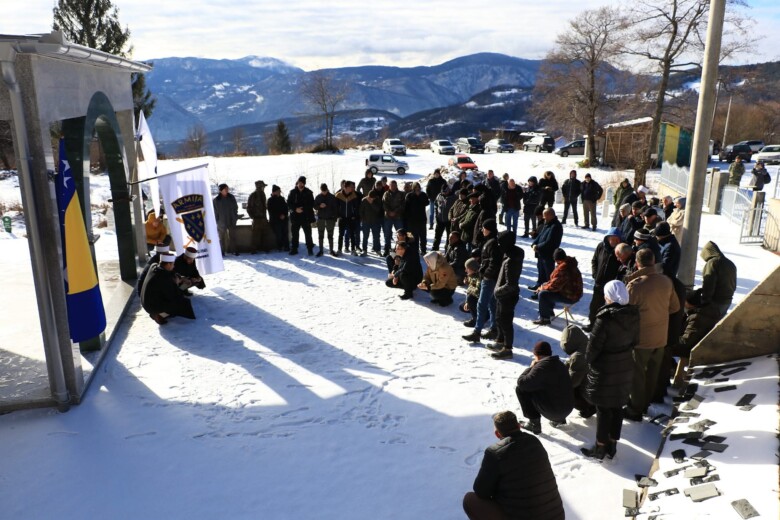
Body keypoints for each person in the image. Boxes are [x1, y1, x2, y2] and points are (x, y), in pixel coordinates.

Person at [463, 411, 565, 520]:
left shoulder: (495, 452)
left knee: (470, 500)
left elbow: (481, 491)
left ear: (497, 434)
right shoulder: (534, 442)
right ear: (519, 426)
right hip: (557, 516)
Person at [580, 280, 640, 460]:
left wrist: (588, 362)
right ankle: (612, 445)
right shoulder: (633, 314)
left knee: (604, 408)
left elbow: (592, 349)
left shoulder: (604, 318)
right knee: (617, 407)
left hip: (605, 368)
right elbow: (636, 341)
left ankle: (600, 447)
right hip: (625, 364)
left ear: (610, 296)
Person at [623, 249, 680, 421]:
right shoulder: (666, 281)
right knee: (652, 374)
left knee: (638, 376)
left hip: (641, 339)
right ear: (654, 260)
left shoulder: (635, 285)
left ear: (638, 263)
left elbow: (626, 313)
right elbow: (675, 307)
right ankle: (645, 404)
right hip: (660, 337)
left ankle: (635, 409)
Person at [515, 341, 575, 433]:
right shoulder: (559, 364)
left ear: (536, 354)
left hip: (555, 412)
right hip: (568, 408)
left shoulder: (541, 367)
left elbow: (521, 383)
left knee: (521, 389)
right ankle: (559, 419)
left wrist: (531, 367)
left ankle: (534, 424)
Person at [487, 231, 524, 360]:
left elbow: (511, 284)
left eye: (500, 242)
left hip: (507, 296)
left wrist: (497, 291)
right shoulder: (507, 254)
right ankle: (500, 341)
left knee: (506, 322)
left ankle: (507, 349)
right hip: (502, 295)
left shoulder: (512, 260)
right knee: (499, 318)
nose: (498, 244)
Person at [462, 220, 501, 343]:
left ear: (489, 229)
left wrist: (485, 274)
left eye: (484, 228)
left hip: (489, 278)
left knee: (481, 304)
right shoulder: (491, 241)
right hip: (491, 277)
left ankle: (477, 332)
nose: (482, 230)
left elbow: (493, 263)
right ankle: (493, 329)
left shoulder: (492, 243)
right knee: (491, 304)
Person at [140, 252, 196, 324]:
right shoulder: (164, 278)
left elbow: (171, 272)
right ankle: (160, 315)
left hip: (146, 301)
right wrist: (176, 284)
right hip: (152, 306)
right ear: (168, 264)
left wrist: (181, 278)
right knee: (183, 302)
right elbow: (172, 296)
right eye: (173, 264)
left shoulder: (155, 266)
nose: (174, 266)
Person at [532, 248, 583, 326]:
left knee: (543, 294)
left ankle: (545, 318)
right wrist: (544, 285)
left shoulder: (564, 269)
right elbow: (555, 282)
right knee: (545, 285)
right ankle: (548, 311)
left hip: (570, 296)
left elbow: (554, 287)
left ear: (557, 260)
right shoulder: (569, 263)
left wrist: (541, 288)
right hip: (573, 292)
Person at [587, 227, 623, 331]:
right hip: (599, 283)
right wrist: (595, 274)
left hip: (612, 286)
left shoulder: (620, 250)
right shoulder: (601, 246)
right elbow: (594, 260)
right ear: (607, 238)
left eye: (616, 239)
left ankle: (604, 328)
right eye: (612, 238)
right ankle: (592, 324)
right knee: (594, 306)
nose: (614, 241)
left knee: (609, 309)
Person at [673, 289, 722, 359]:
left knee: (664, 347)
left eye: (685, 301)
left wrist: (670, 340)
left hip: (695, 350)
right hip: (703, 345)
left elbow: (686, 342)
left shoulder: (696, 318)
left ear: (690, 304)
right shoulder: (708, 310)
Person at [561, 324, 596, 418]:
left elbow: (572, 382)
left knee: (566, 389)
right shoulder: (591, 344)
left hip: (595, 395)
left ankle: (587, 407)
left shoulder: (578, 357)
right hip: (608, 389)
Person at [699, 241, 737, 317]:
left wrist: (704, 301)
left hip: (715, 302)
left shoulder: (712, 263)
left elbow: (709, 283)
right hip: (727, 301)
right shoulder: (730, 263)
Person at [530, 208, 563, 290]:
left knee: (548, 274)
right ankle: (539, 285)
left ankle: (545, 291)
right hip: (541, 253)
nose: (543, 218)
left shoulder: (556, 226)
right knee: (541, 272)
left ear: (550, 215)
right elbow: (540, 235)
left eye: (545, 216)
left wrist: (537, 247)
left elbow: (549, 242)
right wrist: (534, 243)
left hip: (548, 254)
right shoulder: (547, 223)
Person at [287, 176, 315, 256]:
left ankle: (310, 249)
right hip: (295, 217)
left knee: (308, 234)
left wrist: (303, 209)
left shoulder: (309, 192)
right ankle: (294, 249)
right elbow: (289, 203)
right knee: (295, 234)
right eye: (299, 182)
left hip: (305, 216)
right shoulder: (292, 192)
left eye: (302, 183)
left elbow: (311, 204)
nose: (300, 184)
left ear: (304, 184)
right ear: (297, 182)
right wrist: (295, 209)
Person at [246, 180, 275, 254]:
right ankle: (254, 249)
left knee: (265, 233)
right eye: (263, 186)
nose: (264, 187)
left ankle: (264, 248)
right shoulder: (253, 195)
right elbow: (248, 207)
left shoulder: (262, 194)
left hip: (263, 218)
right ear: (260, 186)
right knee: (256, 235)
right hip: (257, 218)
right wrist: (253, 217)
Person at [213, 184, 239, 256]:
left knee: (233, 236)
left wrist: (235, 217)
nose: (227, 190)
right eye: (225, 189)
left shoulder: (231, 197)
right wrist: (217, 221)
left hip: (231, 220)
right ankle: (222, 251)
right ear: (221, 190)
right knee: (221, 238)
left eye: (227, 189)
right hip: (221, 222)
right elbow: (215, 212)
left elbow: (235, 208)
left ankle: (234, 250)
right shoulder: (216, 200)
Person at [314, 183, 338, 257]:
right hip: (321, 219)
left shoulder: (332, 197)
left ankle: (331, 250)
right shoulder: (318, 197)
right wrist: (319, 206)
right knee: (320, 235)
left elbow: (336, 209)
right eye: (323, 191)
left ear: (327, 189)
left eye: (325, 190)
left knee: (330, 235)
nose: (324, 192)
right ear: (321, 190)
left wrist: (334, 219)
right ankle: (321, 250)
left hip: (330, 219)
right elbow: (314, 206)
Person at [405, 181, 430, 255]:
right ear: (413, 188)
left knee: (423, 236)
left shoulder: (423, 194)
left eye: (418, 187)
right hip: (411, 220)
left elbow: (427, 202)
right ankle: (412, 249)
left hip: (421, 219)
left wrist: (419, 197)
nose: (417, 189)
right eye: (416, 188)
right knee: (410, 236)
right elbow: (406, 207)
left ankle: (423, 250)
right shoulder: (409, 195)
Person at [336, 181, 360, 255]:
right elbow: (335, 207)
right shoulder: (338, 195)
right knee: (341, 234)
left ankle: (353, 250)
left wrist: (354, 216)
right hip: (342, 218)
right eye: (350, 187)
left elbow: (356, 207)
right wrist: (338, 215)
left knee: (352, 234)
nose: (352, 188)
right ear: (345, 187)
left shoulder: (353, 195)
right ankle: (339, 250)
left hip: (350, 218)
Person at [382, 180, 406, 255]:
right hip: (388, 216)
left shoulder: (401, 194)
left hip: (398, 216)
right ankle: (387, 249)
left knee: (401, 234)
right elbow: (384, 204)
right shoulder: (386, 194)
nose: (393, 187)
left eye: (394, 185)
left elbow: (403, 204)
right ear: (389, 186)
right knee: (387, 234)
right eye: (391, 185)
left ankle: (402, 248)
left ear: (396, 186)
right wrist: (389, 211)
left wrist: (395, 211)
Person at [432, 185, 456, 251]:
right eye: (443, 191)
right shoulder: (439, 196)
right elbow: (436, 205)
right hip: (440, 220)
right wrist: (437, 215)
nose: (444, 193)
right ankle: (434, 249)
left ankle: (447, 250)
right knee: (437, 236)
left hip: (449, 221)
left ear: (449, 190)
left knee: (449, 237)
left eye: (445, 191)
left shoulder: (454, 197)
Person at [359, 189, 383, 256]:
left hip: (375, 221)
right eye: (369, 197)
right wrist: (363, 219)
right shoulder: (364, 200)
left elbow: (378, 210)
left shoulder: (377, 200)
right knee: (365, 237)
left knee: (376, 237)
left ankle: (377, 249)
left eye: (372, 198)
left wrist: (372, 203)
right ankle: (364, 250)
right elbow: (361, 211)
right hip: (366, 222)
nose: (370, 199)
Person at [267, 185, 290, 251]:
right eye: (278, 191)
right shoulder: (270, 200)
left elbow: (286, 208)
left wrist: (284, 215)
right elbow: (271, 211)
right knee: (278, 234)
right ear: (274, 192)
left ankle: (286, 246)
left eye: (279, 191)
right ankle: (280, 246)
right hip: (275, 221)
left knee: (285, 233)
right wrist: (279, 216)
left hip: (284, 219)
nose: (279, 192)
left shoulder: (282, 199)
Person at [461, 257, 481, 328]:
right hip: (476, 298)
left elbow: (477, 291)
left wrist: (468, 301)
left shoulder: (479, 276)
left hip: (482, 300)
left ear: (473, 268)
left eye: (467, 268)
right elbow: (471, 287)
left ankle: (476, 319)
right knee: (462, 306)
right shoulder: (471, 275)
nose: (465, 270)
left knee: (470, 299)